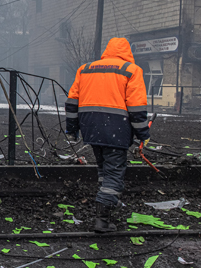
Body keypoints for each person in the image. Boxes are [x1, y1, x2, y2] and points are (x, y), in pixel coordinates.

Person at [64, 37, 150, 232]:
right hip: (116, 129)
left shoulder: (85, 69)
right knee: (114, 172)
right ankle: (102, 218)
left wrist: (72, 129)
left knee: (104, 169)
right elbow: (136, 107)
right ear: (128, 52)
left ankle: (110, 204)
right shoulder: (131, 70)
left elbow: (72, 102)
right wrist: (143, 134)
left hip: (91, 127)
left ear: (107, 50)